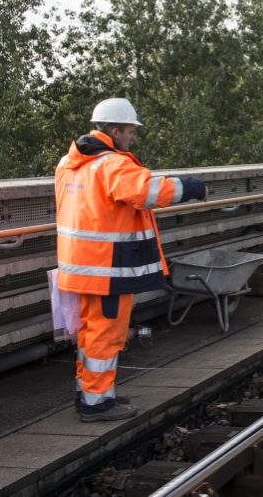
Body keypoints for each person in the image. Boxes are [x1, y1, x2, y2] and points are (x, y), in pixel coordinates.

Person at [55, 99, 208, 422]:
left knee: (89, 332)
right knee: (106, 334)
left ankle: (90, 393)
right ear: (114, 130)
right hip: (106, 268)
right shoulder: (111, 165)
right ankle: (98, 404)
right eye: (129, 131)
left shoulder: (70, 164)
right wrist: (193, 187)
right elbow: (148, 191)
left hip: (78, 265)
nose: (132, 137)